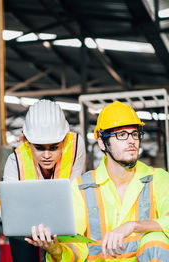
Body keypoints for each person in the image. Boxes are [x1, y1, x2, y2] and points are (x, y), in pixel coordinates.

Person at [25, 101, 169, 261]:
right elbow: (75, 246)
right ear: (102, 142)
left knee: (156, 239)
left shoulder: (158, 179)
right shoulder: (80, 188)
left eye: (134, 134)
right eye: (121, 135)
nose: (131, 141)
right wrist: (55, 249)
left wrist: (133, 226)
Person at [3, 99, 86, 261]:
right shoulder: (15, 161)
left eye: (54, 147)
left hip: (64, 226)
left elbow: (75, 193)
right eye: (39, 147)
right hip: (27, 232)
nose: (47, 155)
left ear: (64, 139)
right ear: (26, 140)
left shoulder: (76, 147)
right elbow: (8, 212)